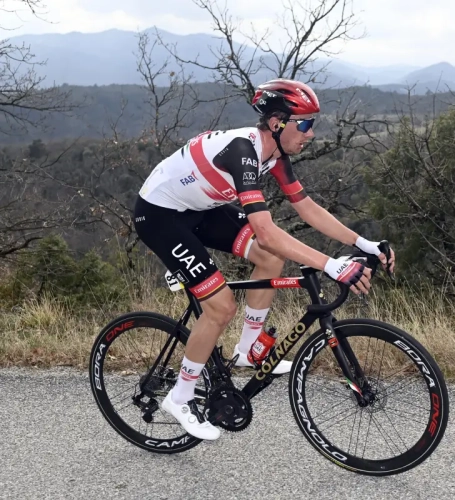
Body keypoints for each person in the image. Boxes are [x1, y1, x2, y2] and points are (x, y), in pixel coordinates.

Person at [133, 78, 395, 441]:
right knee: (221, 307)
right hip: (160, 216)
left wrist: (363, 243)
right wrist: (332, 265)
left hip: (199, 209)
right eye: (304, 124)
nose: (311, 133)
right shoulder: (243, 151)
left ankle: (247, 348)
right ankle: (180, 397)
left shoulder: (274, 155)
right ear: (276, 123)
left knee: (271, 259)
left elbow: (307, 208)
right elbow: (267, 230)